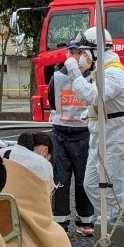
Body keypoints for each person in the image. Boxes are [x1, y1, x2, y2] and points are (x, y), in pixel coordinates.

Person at [61, 27, 124, 226]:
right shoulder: (101, 71)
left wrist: (75, 73)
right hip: (101, 137)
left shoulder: (113, 73)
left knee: (116, 191)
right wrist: (90, 112)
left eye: (83, 52)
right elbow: (100, 101)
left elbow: (94, 95)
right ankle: (111, 222)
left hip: (115, 139)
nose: (81, 57)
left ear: (96, 50)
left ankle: (123, 229)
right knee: (92, 184)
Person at [47, 47, 94, 235]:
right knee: (60, 179)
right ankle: (61, 222)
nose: (75, 57)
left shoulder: (92, 77)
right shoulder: (57, 77)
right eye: (72, 52)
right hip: (60, 132)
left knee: (84, 180)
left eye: (79, 53)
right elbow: (51, 100)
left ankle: (85, 221)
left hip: (84, 133)